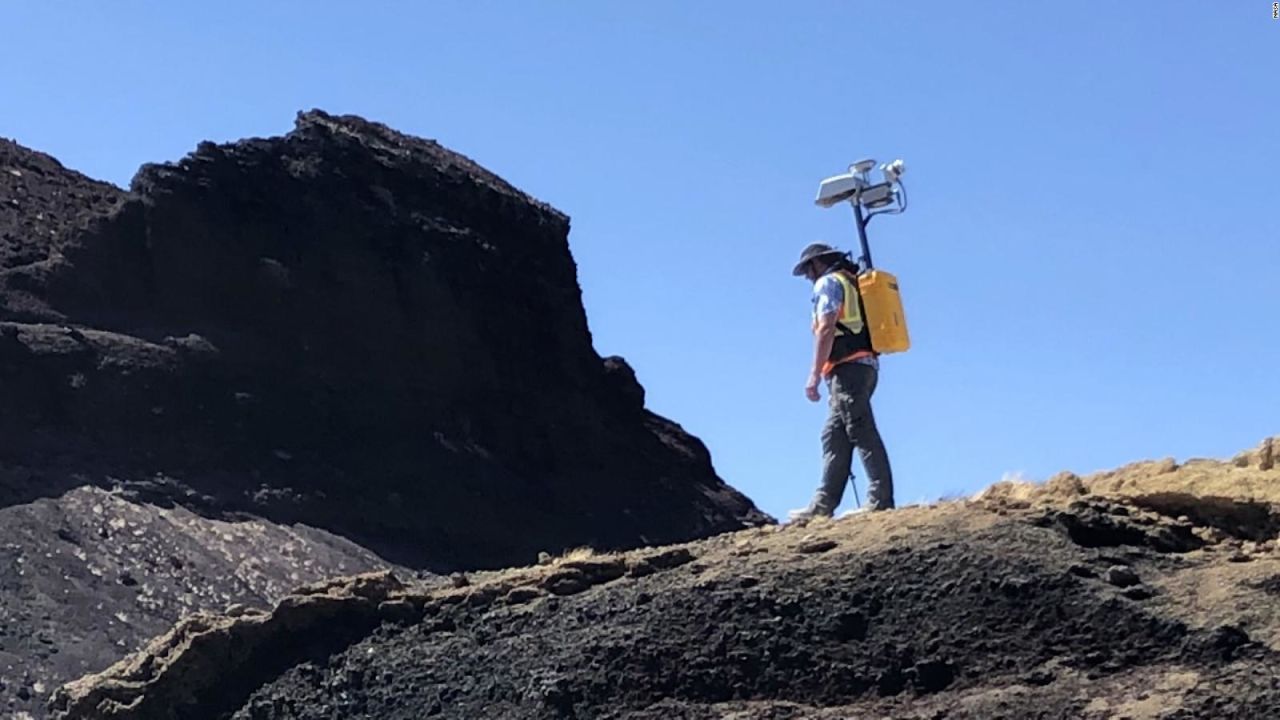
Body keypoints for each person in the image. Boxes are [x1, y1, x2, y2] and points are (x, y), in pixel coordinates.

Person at [788, 242, 895, 520]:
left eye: (808, 271)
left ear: (816, 264)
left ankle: (880, 500)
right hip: (863, 366)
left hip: (848, 369)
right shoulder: (850, 281)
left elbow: (826, 327)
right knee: (834, 435)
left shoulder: (828, 283)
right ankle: (822, 506)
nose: (808, 277)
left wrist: (814, 373)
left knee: (860, 429)